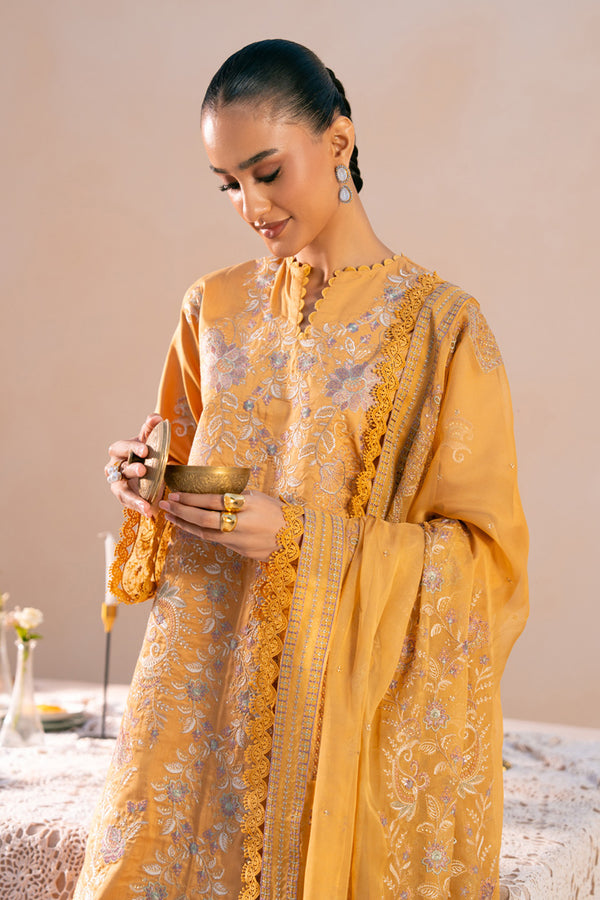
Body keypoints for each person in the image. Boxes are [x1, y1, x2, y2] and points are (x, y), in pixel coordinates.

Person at [75, 38, 528, 900]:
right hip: (197, 725)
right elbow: (183, 469)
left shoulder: (444, 330)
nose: (250, 206)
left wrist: (300, 538)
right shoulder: (211, 308)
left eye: (268, 172)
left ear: (340, 141)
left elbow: (486, 564)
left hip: (336, 729)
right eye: (227, 183)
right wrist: (146, 483)